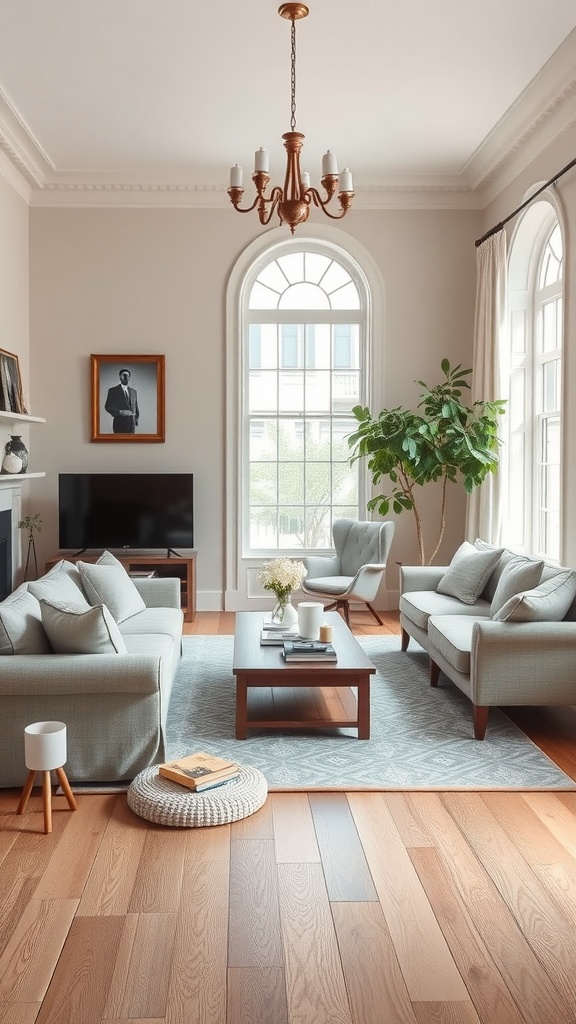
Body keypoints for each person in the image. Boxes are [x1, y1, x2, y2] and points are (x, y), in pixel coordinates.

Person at [104, 368, 139, 433]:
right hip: (119, 423)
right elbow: (108, 406)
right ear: (120, 377)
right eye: (124, 375)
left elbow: (135, 407)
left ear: (129, 378)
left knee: (131, 442)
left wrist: (135, 419)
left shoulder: (134, 392)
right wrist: (119, 412)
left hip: (131, 424)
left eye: (128, 375)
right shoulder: (113, 391)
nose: (126, 377)